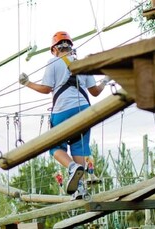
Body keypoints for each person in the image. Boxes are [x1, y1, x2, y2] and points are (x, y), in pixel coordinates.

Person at [19, 31, 110, 200]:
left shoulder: (53, 62)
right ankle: (80, 188)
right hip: (84, 110)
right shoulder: (83, 64)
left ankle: (71, 167)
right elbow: (95, 92)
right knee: (79, 147)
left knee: (55, 148)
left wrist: (27, 83)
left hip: (62, 110)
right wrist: (104, 81)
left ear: (54, 49)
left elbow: (46, 89)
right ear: (70, 47)